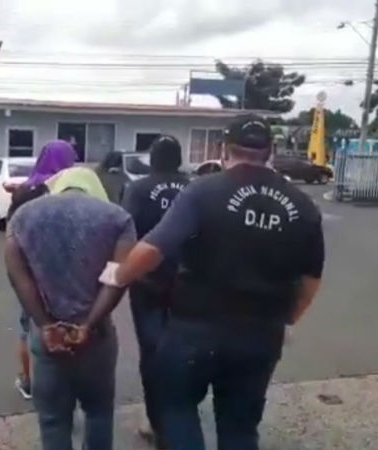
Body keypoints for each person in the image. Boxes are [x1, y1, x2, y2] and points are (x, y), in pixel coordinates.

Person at [101, 114, 325, 450]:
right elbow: (310, 280)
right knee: (240, 427)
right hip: (261, 335)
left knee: (178, 410)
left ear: (223, 149)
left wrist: (117, 274)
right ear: (271, 150)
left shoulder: (204, 191)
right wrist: (286, 318)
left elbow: (152, 248)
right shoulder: (303, 205)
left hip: (196, 329)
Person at [4, 167, 136, 450]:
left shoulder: (23, 217)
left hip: (48, 339)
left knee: (53, 421)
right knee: (99, 413)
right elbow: (117, 277)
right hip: (96, 337)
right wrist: (89, 323)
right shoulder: (117, 218)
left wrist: (45, 324)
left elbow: (19, 277)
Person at [120, 135, 189, 447]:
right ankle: (181, 417)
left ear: (153, 159)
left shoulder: (138, 188)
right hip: (189, 284)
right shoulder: (196, 188)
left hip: (147, 283)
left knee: (152, 353)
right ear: (179, 159)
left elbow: (126, 231)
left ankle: (157, 423)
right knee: (187, 352)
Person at [6, 140, 77, 400]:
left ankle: (28, 381)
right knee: (67, 324)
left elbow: (11, 232)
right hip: (66, 272)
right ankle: (65, 381)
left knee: (28, 326)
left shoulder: (25, 191)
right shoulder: (72, 191)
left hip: (30, 270)